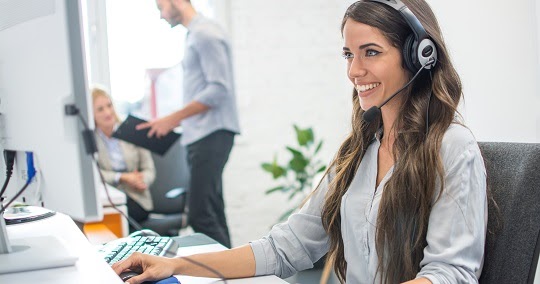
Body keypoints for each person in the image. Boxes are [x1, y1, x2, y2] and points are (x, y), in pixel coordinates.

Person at [113, 0, 488, 283]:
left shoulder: (451, 147)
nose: (354, 71)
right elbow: (287, 246)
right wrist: (176, 263)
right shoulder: (359, 152)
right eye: (348, 54)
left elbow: (449, 273)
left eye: (370, 52)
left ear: (419, 56)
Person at [136, 0, 240, 248]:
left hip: (211, 134)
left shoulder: (205, 34)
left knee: (199, 213)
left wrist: (172, 119)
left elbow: (218, 89)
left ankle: (227, 272)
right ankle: (232, 272)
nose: (161, 15)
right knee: (212, 210)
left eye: (161, 7)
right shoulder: (196, 34)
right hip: (203, 134)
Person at [92, 86, 156, 228]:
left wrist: (142, 181)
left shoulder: (132, 131)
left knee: (120, 216)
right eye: (100, 109)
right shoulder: (91, 140)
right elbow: (94, 174)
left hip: (137, 199)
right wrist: (122, 177)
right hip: (107, 200)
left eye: (109, 106)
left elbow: (149, 169)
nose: (108, 112)